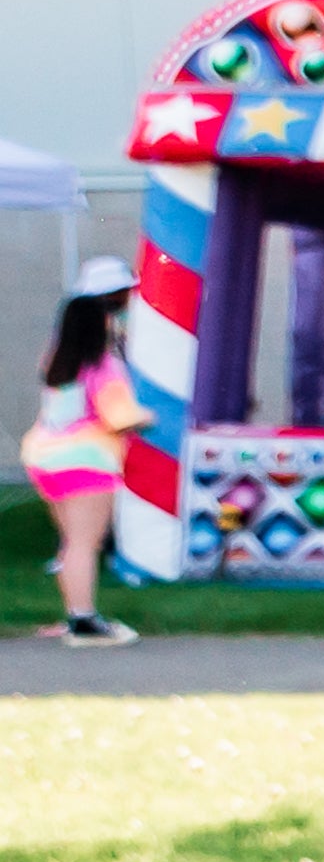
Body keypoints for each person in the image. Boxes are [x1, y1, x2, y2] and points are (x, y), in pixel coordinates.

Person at [23, 274, 146, 648]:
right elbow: (118, 417)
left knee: (70, 542)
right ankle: (84, 620)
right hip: (88, 461)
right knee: (84, 543)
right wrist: (148, 418)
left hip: (45, 459)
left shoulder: (57, 364)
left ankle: (73, 612)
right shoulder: (105, 367)